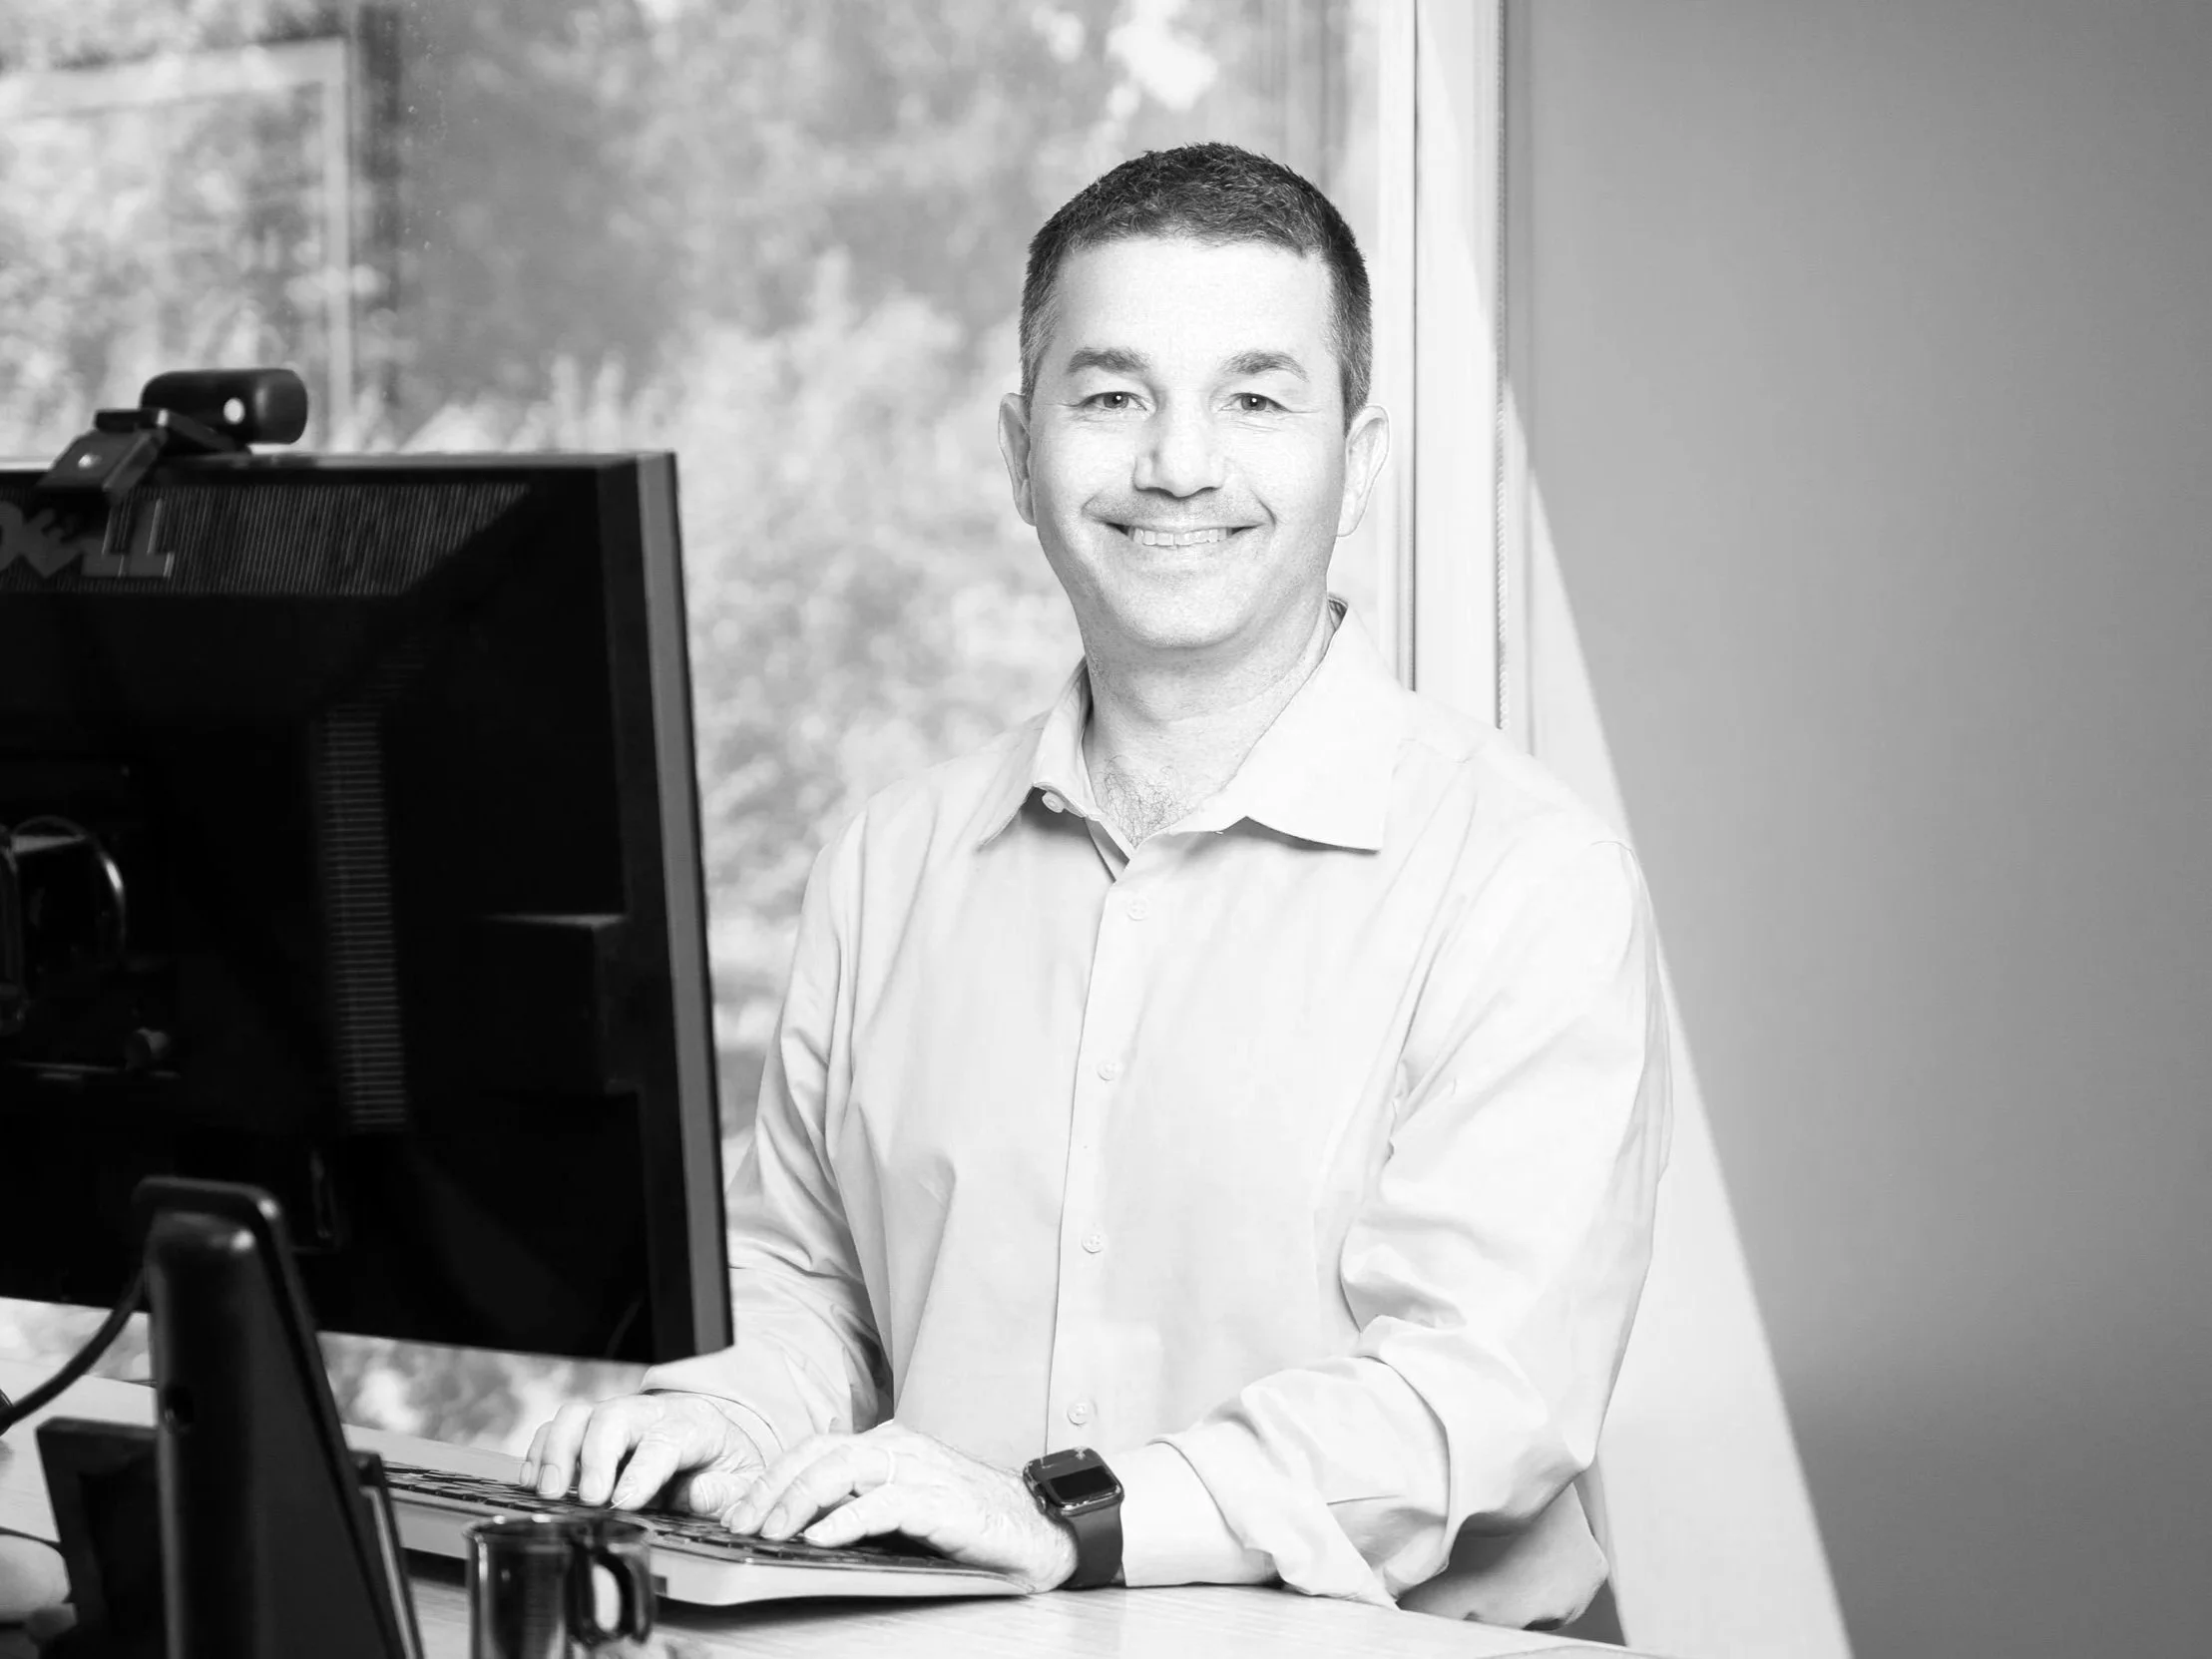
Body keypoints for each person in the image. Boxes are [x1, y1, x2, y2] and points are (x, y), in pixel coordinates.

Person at [525, 142, 1671, 1629]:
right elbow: (815, 1285)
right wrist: (727, 1411)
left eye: (1256, 397)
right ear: (1022, 450)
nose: (1177, 462)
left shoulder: (1529, 882)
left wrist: (1074, 1514)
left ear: (1361, 458)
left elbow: (1475, 1391)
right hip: (958, 1634)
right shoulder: (890, 862)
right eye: (1112, 394)